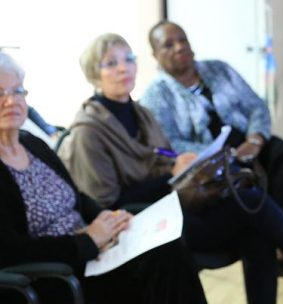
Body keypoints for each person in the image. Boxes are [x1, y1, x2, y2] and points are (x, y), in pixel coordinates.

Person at [58, 33, 283, 304]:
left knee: (258, 210)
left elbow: (163, 159)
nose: (123, 69)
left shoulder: (138, 112)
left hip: (172, 207)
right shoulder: (90, 131)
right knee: (249, 200)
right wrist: (172, 174)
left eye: (128, 59)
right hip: (143, 225)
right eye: (111, 63)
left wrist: (179, 167)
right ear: (93, 73)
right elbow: (107, 204)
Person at [0, 51, 208, 304]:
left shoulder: (33, 145)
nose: (11, 101)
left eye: (18, 91)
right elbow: (9, 251)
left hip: (93, 252)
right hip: (58, 275)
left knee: (169, 247)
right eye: (0, 93)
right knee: (161, 262)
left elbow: (76, 197)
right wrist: (85, 241)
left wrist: (107, 219)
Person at [139, 21, 283, 266]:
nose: (179, 47)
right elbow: (170, 143)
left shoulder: (218, 69)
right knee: (255, 190)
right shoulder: (156, 94)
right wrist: (223, 154)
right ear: (155, 55)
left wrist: (256, 139)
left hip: (248, 143)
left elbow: (256, 106)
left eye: (183, 39)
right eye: (168, 44)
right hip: (210, 162)